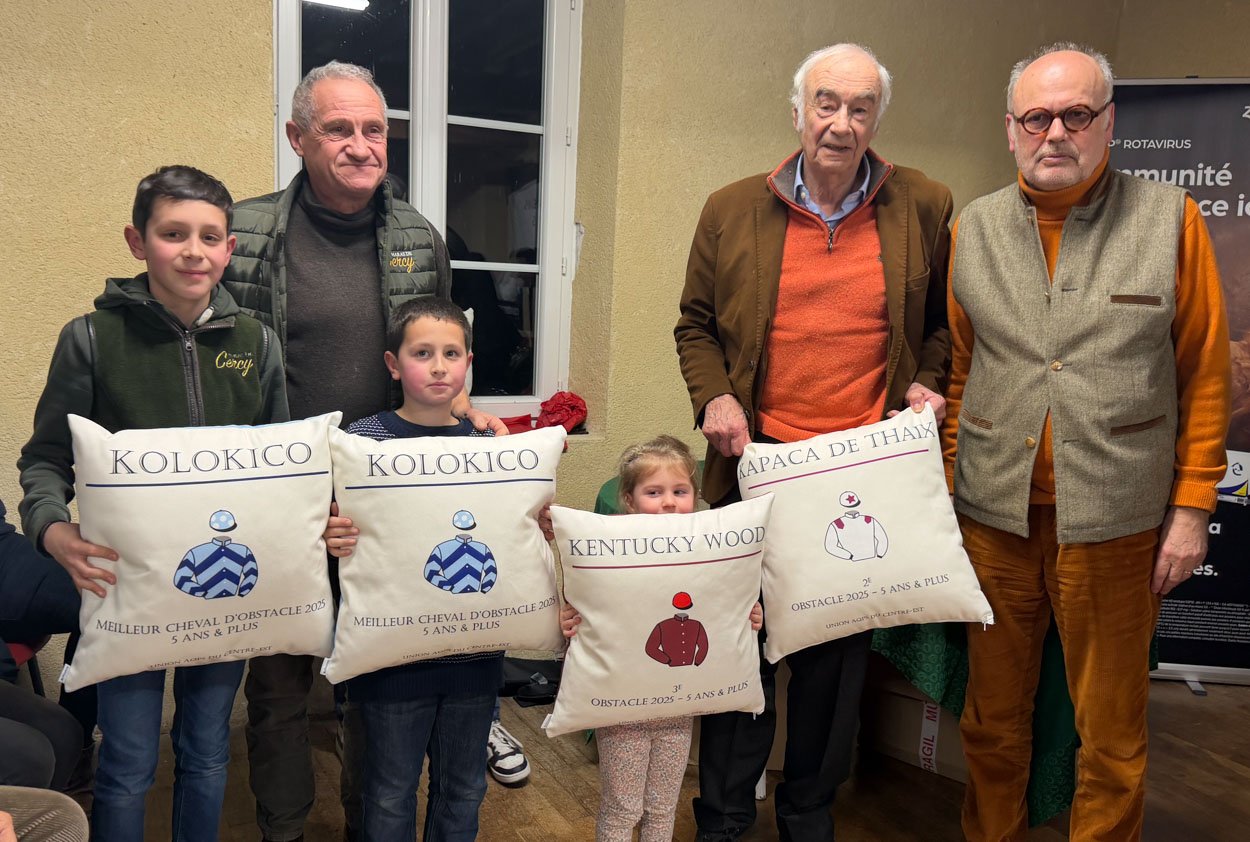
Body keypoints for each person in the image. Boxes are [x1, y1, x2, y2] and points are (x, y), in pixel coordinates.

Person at [942, 42, 1231, 842]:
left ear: (1109, 122)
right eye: (1037, 117)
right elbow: (963, 370)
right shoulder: (974, 228)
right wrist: (952, 480)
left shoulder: (1170, 219)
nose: (1056, 134)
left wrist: (1192, 508)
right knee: (991, 723)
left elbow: (1205, 374)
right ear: (1011, 129)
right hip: (994, 521)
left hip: (1117, 522)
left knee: (1109, 735)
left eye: (1076, 115)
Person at [673, 43, 953, 841]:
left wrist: (927, 382)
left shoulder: (926, 204)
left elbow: (941, 327)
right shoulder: (730, 208)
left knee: (834, 672)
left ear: (877, 118)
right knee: (743, 654)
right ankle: (724, 821)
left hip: (857, 476)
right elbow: (694, 325)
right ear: (797, 110)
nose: (841, 123)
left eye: (860, 107)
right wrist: (715, 396)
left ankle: (808, 817)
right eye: (826, 103)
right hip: (755, 470)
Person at [220, 60, 505, 842]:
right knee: (280, 687)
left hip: (384, 500)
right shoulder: (243, 235)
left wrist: (463, 411)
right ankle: (283, 827)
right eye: (339, 128)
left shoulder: (418, 235)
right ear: (297, 137)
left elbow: (433, 348)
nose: (360, 145)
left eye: (374, 129)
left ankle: (364, 827)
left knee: (379, 679)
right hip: (283, 500)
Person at [16, 165, 289, 841]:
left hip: (225, 584)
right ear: (138, 241)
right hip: (126, 585)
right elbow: (46, 458)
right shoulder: (91, 338)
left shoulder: (257, 343)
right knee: (129, 758)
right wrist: (50, 527)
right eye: (174, 234)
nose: (193, 251)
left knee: (206, 748)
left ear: (230, 248)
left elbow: (283, 464)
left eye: (210, 237)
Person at [322, 297, 501, 840]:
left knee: (464, 788)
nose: (439, 366)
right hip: (390, 662)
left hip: (474, 656)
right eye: (422, 353)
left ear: (469, 362)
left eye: (452, 353)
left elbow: (507, 532)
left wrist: (536, 524)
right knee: (386, 791)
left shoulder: (489, 445)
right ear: (393, 364)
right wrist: (330, 536)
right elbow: (330, 528)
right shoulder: (359, 442)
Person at [559, 436, 764, 842]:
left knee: (662, 805)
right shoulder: (607, 556)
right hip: (622, 712)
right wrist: (568, 620)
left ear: (696, 497)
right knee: (623, 807)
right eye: (654, 492)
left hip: (677, 709)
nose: (669, 502)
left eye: (679, 491)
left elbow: (720, 609)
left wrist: (747, 617)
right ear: (629, 500)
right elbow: (586, 610)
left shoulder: (706, 558)